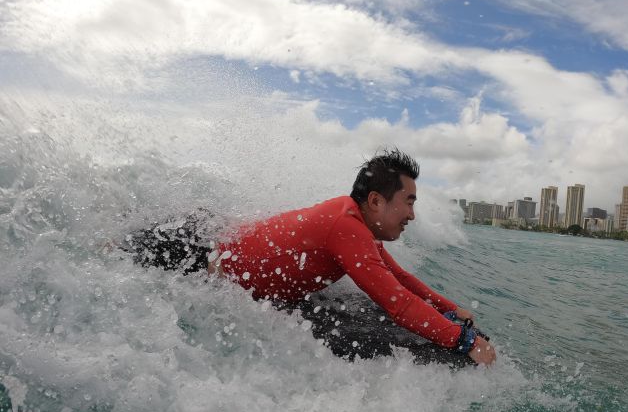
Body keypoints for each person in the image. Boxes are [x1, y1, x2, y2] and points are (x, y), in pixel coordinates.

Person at [124, 149, 496, 366]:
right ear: (377, 201)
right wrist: (463, 342)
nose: (413, 215)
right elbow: (396, 305)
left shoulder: (355, 224)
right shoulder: (346, 227)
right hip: (193, 250)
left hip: (213, 236)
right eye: (409, 202)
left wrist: (449, 308)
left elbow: (398, 279)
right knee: (114, 255)